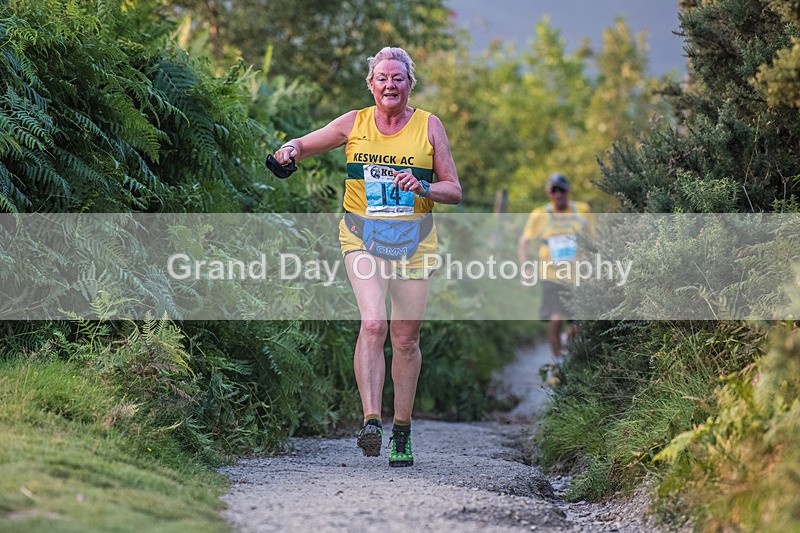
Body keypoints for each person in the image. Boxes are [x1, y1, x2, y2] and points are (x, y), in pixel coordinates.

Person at [272, 47, 462, 467]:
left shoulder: (429, 126)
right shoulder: (355, 122)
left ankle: (403, 430)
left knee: (405, 340)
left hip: (415, 242)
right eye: (382, 78)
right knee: (373, 323)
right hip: (362, 238)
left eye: (398, 78)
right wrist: (288, 151)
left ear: (410, 84)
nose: (390, 84)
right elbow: (307, 143)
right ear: (371, 84)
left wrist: (423, 187)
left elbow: (454, 189)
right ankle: (372, 421)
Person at [518, 173, 591, 360]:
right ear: (548, 193)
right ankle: (558, 364)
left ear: (568, 190)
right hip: (551, 275)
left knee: (577, 325)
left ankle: (570, 355)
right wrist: (525, 267)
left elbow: (595, 240)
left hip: (578, 275)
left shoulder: (582, 210)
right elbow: (524, 241)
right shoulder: (539, 214)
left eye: (562, 190)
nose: (558, 194)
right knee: (556, 319)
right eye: (554, 190)